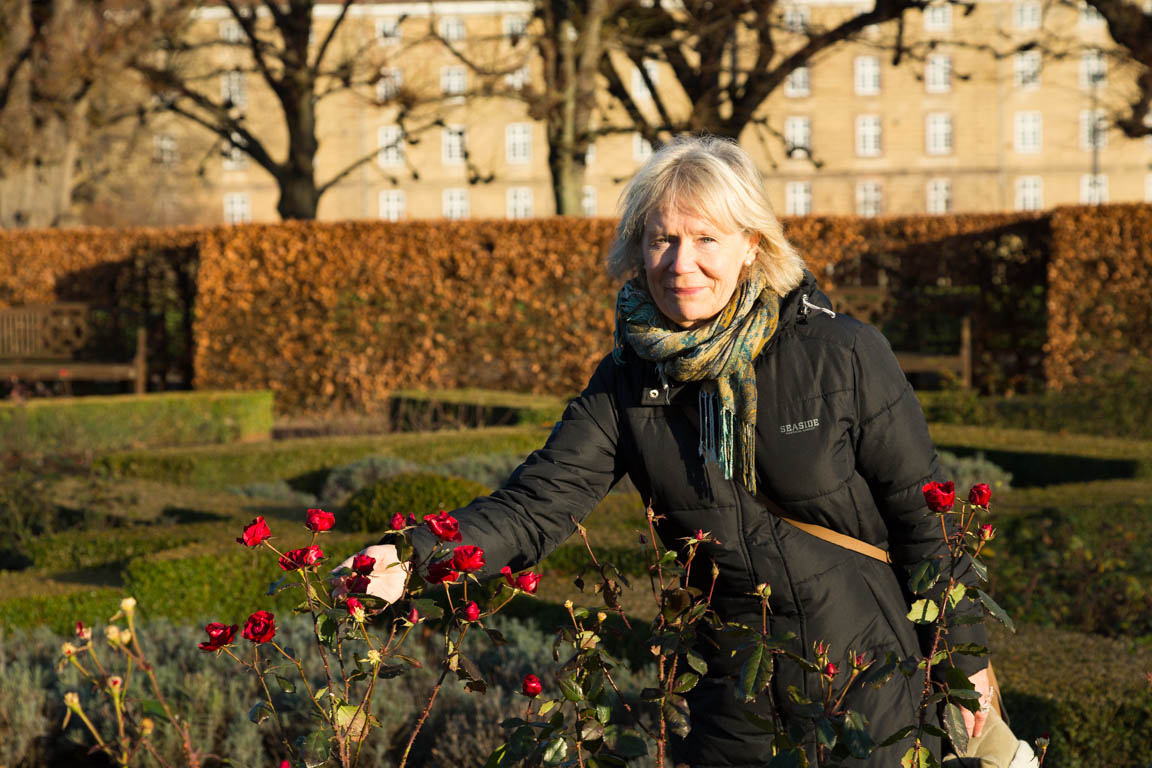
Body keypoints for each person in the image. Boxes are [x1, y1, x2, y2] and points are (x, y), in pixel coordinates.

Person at [341, 135, 991, 767]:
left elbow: (924, 522)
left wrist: (965, 666)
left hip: (867, 687)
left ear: (751, 247)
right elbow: (534, 508)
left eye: (707, 239)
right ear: (638, 249)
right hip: (730, 704)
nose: (682, 264)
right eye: (663, 240)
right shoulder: (627, 380)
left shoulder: (843, 353)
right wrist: (410, 556)